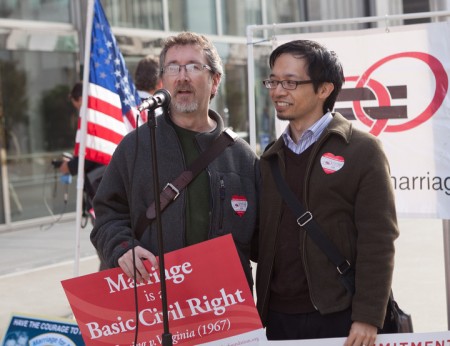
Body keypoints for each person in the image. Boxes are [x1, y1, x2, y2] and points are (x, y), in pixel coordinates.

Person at [254, 39, 399, 346]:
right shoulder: (269, 159)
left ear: (324, 89)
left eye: (290, 82)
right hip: (278, 320)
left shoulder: (362, 150)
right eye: (274, 81)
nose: (278, 91)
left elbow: (379, 239)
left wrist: (369, 316)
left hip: (341, 316)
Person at [90, 32, 259, 289]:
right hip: (155, 302)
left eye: (193, 66)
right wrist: (123, 248)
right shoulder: (135, 146)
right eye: (173, 68)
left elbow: (265, 240)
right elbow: (106, 215)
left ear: (215, 81)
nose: (182, 76)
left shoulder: (241, 156)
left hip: (225, 307)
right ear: (162, 81)